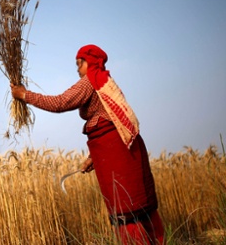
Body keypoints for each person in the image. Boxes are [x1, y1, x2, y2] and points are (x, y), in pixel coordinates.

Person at [10, 44, 164, 244]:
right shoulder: (104, 82)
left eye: (79, 63)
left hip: (117, 154)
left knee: (126, 206)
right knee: (139, 202)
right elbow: (111, 121)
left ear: (88, 62)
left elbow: (60, 102)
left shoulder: (90, 81)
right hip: (125, 150)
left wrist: (24, 95)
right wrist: (95, 158)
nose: (77, 68)